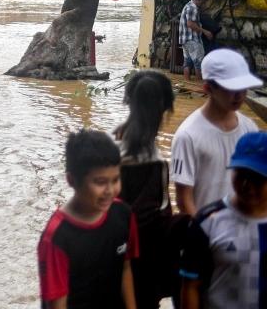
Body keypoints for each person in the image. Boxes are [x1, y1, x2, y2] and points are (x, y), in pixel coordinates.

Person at [37, 129, 138, 309]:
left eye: (115, 180)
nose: (110, 190)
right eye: (100, 182)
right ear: (71, 180)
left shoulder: (123, 215)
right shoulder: (57, 238)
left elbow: (125, 268)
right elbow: (57, 303)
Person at [114, 71, 179, 309]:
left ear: (129, 102)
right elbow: (153, 217)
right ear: (164, 110)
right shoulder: (154, 162)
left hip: (109, 259)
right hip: (142, 265)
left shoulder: (111, 146)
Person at [180, 131, 267, 309]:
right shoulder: (206, 222)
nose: (246, 185)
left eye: (257, 179)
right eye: (241, 174)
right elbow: (190, 286)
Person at [171, 47, 262, 215]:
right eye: (231, 89)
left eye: (243, 88)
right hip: (205, 228)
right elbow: (184, 200)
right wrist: (206, 228)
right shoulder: (188, 136)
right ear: (208, 88)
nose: (239, 96)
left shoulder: (250, 129)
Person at [179, 0, 211, 81]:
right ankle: (199, 85)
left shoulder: (187, 6)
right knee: (199, 63)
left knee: (187, 62)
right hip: (193, 39)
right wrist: (205, 31)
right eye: (203, 2)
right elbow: (190, 24)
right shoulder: (193, 8)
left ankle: (187, 83)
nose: (202, 5)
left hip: (185, 40)